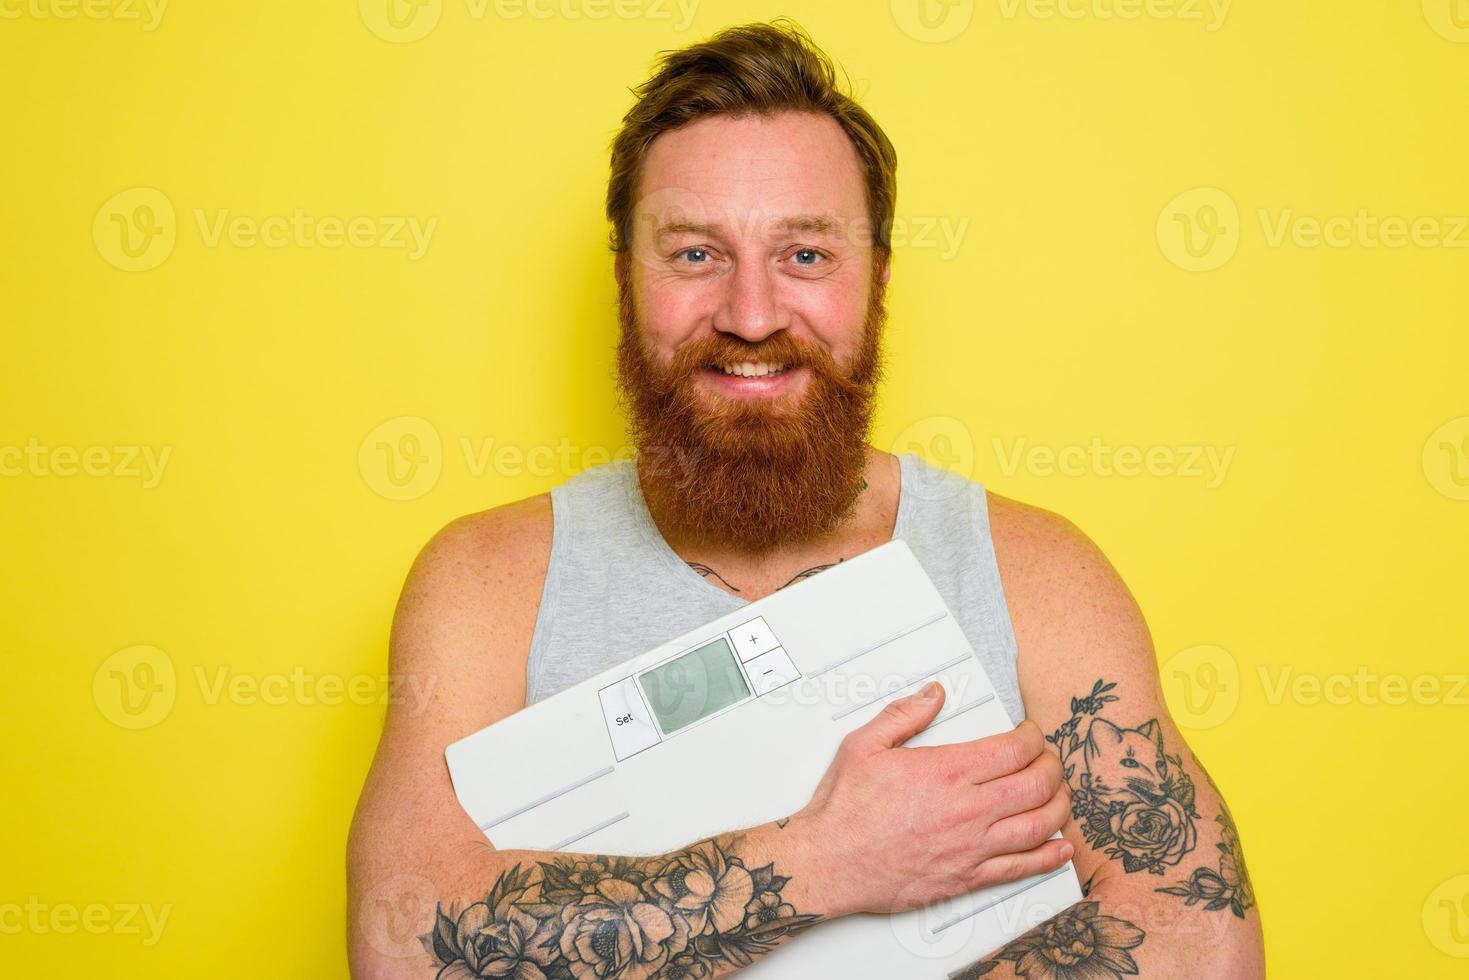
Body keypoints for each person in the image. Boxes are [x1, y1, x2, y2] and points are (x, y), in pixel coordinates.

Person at [347, 20, 1265, 979]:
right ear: (625, 280)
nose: (751, 317)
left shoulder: (1036, 573)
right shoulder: (487, 583)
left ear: (877, 282)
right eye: (695, 255)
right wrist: (825, 860)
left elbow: (1201, 939)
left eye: (807, 256)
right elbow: (398, 943)